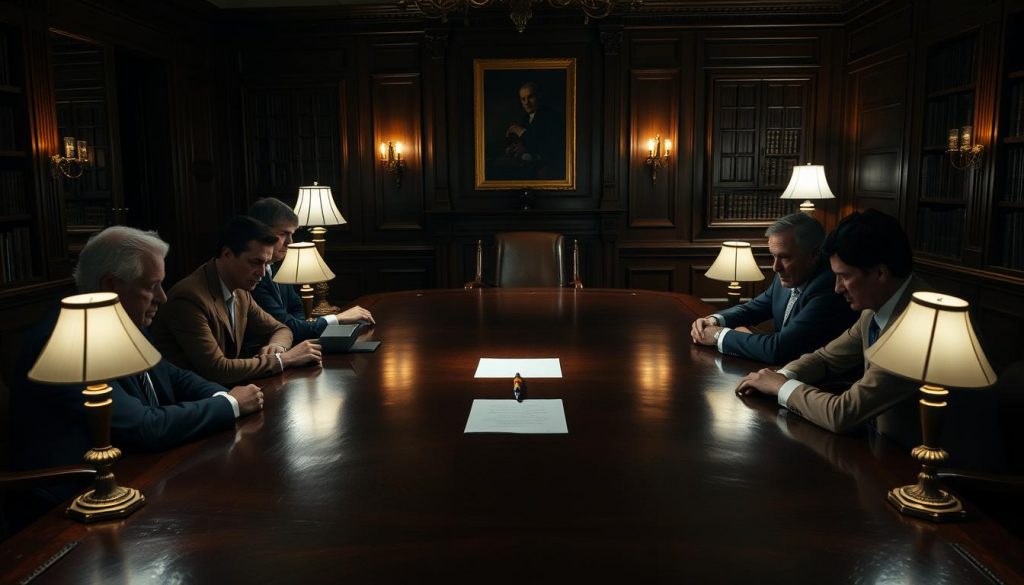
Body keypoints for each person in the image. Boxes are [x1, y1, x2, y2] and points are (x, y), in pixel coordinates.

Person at [7, 226, 264, 527]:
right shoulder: (66, 339)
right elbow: (144, 426)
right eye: (152, 286)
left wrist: (221, 395)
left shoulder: (123, 318)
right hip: (70, 507)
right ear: (110, 285)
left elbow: (174, 377)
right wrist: (229, 405)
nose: (163, 297)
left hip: (135, 477)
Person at [734, 209, 928, 449]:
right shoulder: (876, 306)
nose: (837, 288)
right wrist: (781, 376)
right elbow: (826, 358)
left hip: (917, 468)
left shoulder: (919, 325)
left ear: (880, 273)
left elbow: (842, 414)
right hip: (880, 448)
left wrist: (781, 386)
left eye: (844, 276)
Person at [151, 216, 322, 385]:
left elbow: (281, 329)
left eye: (266, 264)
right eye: (256, 262)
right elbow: (218, 369)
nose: (262, 273)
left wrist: (277, 347)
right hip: (194, 400)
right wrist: (284, 359)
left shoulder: (241, 290)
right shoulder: (189, 298)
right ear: (227, 254)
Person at [691, 213, 858, 364]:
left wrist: (717, 335)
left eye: (785, 257)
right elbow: (751, 309)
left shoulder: (828, 287)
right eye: (773, 256)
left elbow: (779, 350)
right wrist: (713, 320)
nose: (775, 267)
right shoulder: (788, 276)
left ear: (814, 255)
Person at [246, 197, 374, 341]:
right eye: (283, 234)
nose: (290, 243)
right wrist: (338, 319)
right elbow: (290, 327)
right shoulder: (253, 278)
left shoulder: (273, 268)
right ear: (261, 232)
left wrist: (301, 327)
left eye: (292, 235)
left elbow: (297, 308)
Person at [496, 81, 565, 180]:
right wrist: (513, 148)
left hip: (549, 163)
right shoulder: (525, 118)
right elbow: (524, 142)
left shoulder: (550, 116)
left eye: (530, 97)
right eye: (523, 99)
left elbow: (543, 145)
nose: (526, 103)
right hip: (529, 161)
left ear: (539, 96)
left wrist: (519, 131)